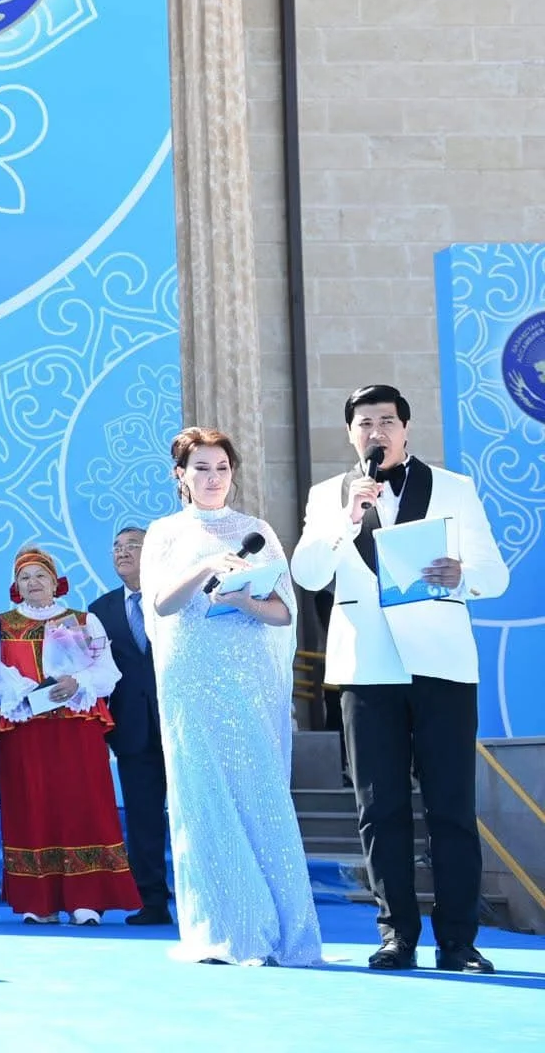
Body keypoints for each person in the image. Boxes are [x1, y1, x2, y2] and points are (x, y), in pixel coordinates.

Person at [291, 385, 508, 975]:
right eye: (365, 422)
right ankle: (396, 934)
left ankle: (459, 941)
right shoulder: (327, 496)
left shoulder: (454, 487)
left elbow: (495, 574)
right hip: (367, 669)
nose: (376, 431)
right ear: (350, 433)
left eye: (387, 420)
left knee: (451, 808)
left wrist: (463, 575)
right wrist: (346, 519)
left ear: (406, 429)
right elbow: (307, 574)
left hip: (442, 665)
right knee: (378, 807)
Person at [142, 427, 323, 966]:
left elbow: (284, 612)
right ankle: (224, 930)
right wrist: (206, 566)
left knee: (258, 789)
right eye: (201, 468)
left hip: (249, 678)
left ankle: (282, 930)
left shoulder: (257, 530)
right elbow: (161, 605)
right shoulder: (165, 532)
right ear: (180, 475)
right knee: (202, 793)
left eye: (222, 468)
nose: (213, 478)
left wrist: (244, 600)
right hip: (191, 675)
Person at [0, 547, 139, 924]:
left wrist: (77, 682)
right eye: (24, 577)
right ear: (15, 586)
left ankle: (87, 899)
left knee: (83, 804)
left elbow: (108, 672)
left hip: (76, 728)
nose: (33, 583)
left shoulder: (83, 621)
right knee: (30, 806)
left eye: (40, 575)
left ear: (56, 582)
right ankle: (40, 902)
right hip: (25, 729)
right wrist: (24, 693)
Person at [89, 526, 173, 926]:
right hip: (132, 731)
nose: (123, 553)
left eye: (133, 546)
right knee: (142, 820)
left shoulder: (175, 598)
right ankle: (152, 901)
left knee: (195, 815)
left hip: (180, 724)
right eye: (117, 547)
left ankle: (205, 899)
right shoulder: (99, 611)